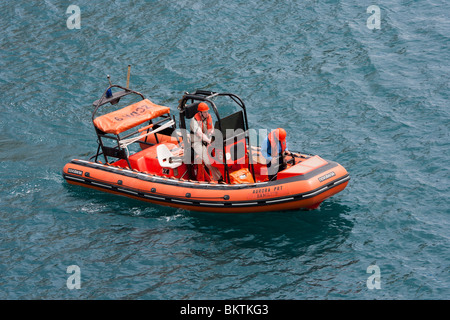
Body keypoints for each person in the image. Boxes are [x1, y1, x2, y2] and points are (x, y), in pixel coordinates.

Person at [190, 102, 224, 182]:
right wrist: (209, 141)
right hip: (197, 142)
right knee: (208, 161)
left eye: (207, 111)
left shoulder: (208, 117)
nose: (207, 113)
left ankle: (223, 173)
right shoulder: (194, 121)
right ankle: (219, 179)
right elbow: (199, 134)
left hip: (206, 140)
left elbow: (211, 129)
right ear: (200, 113)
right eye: (205, 112)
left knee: (219, 155)